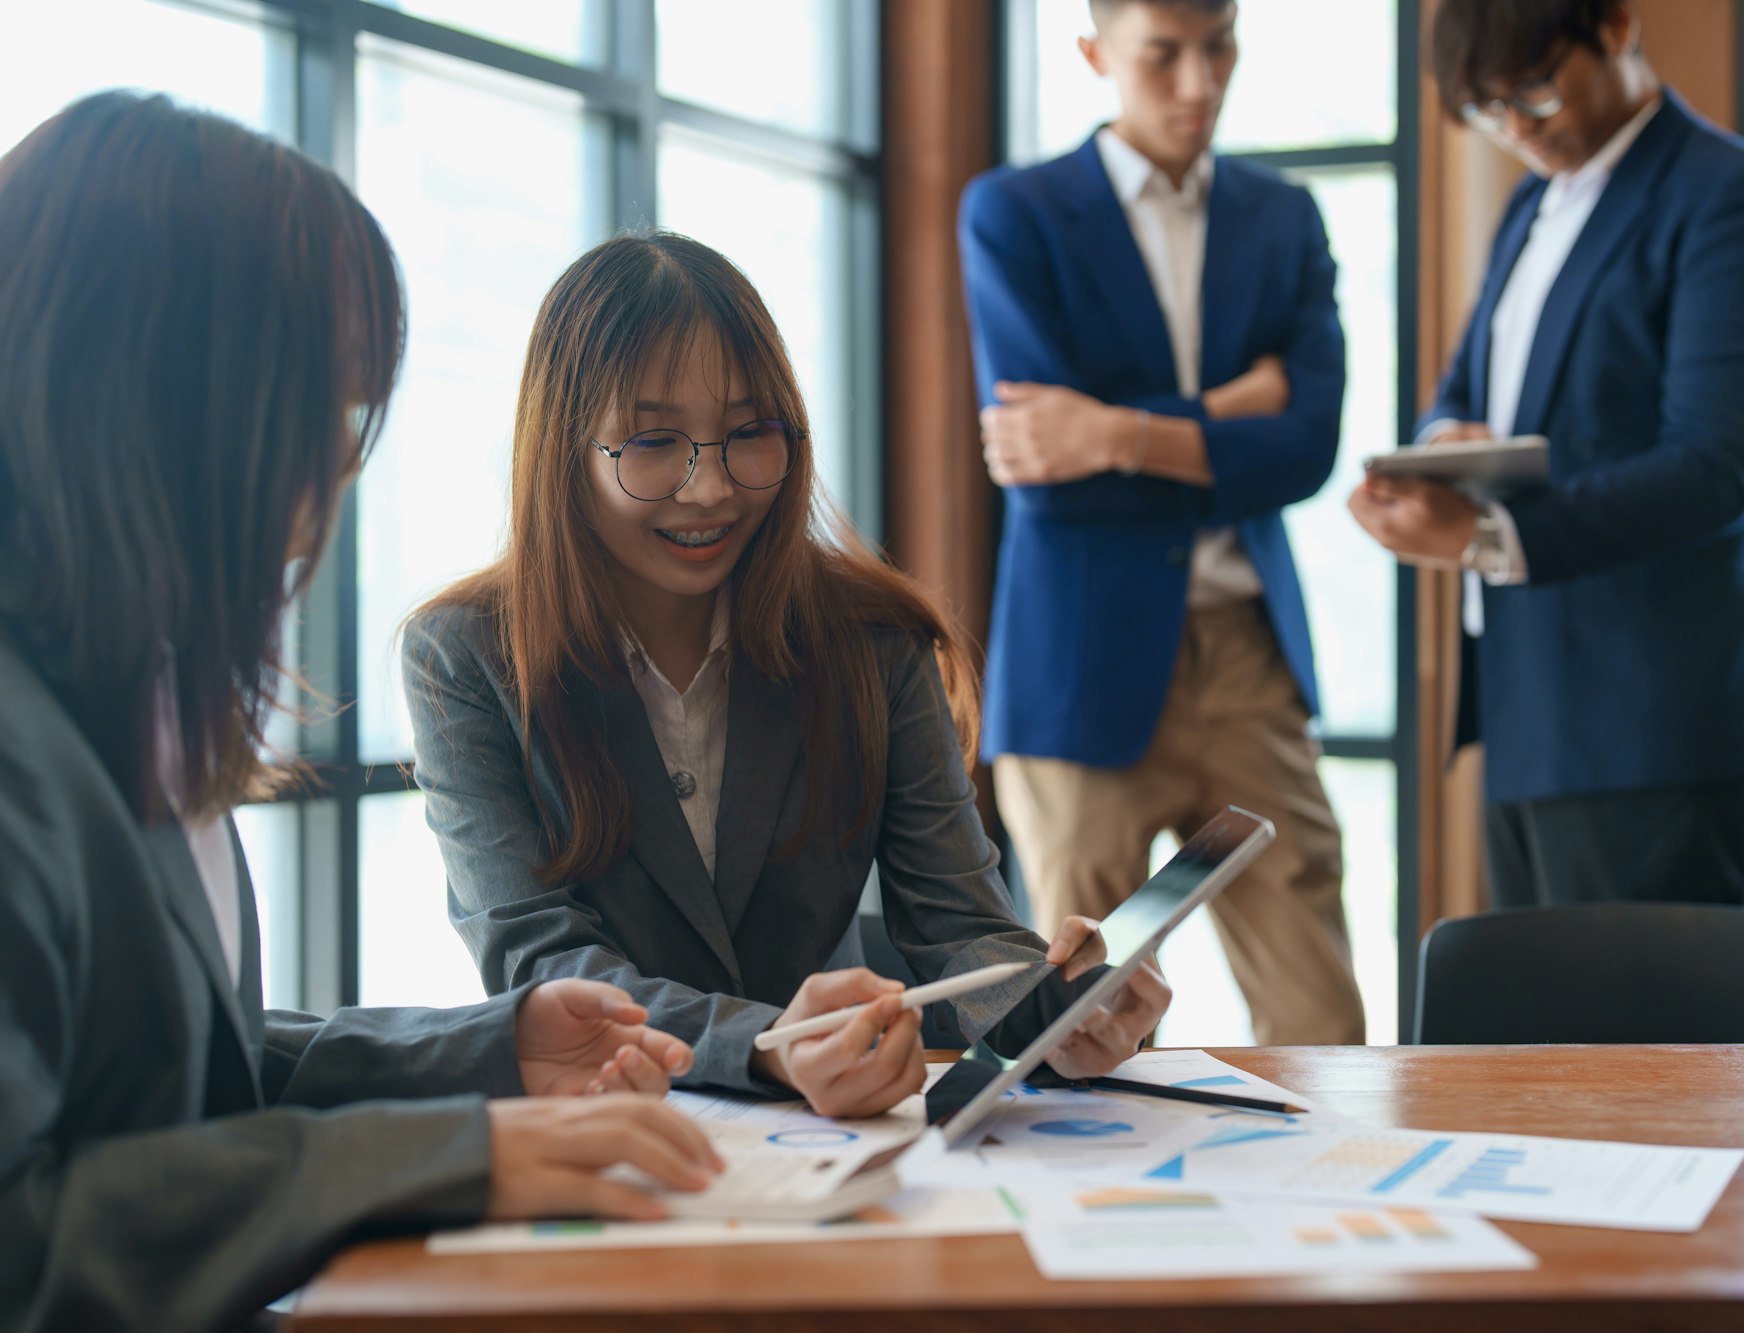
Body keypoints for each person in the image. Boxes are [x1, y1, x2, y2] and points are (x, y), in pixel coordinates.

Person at [0, 93, 728, 1333]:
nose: (342, 466)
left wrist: (490, 1057)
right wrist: (442, 1161)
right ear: (167, 406)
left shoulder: (127, 696)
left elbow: (191, 1073)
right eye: (325, 411)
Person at [402, 231, 1170, 1120]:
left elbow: (962, 928)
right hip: (603, 1128)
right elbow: (542, 961)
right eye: (655, 442)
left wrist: (1057, 1012)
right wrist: (765, 1048)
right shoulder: (464, 655)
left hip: (837, 1139)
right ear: (564, 450)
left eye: (747, 435)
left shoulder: (871, 638)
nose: (710, 490)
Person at [958, 0, 1364, 1046]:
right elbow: (1047, 473)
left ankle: (1339, 1208)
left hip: (1248, 662)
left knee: (1318, 1013)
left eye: (1218, 46)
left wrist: (1113, 430)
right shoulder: (1014, 212)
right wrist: (1228, 413)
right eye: (1163, 55)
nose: (1199, 83)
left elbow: (1307, 447)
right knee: (1072, 1017)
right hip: (1080, 661)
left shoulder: (1281, 218)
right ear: (1094, 54)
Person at [1348, 0, 1744, 907]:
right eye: (1488, 109)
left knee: (1640, 1041)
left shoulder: (1733, 193)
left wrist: (1487, 535)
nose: (1516, 129)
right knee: (1534, 1043)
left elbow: (1717, 467)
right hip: (1532, 706)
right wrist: (1443, 449)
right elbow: (1465, 390)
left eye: (1533, 92)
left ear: (1615, 25)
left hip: (1654, 718)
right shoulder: (1532, 202)